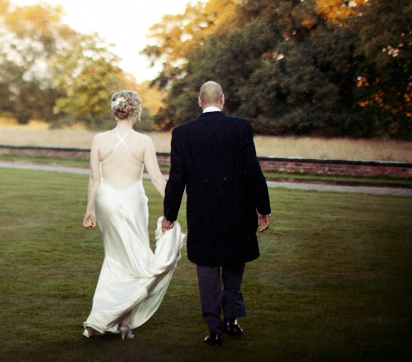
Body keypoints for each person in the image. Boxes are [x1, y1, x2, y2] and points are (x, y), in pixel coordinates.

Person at [161, 80, 271, 346]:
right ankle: (232, 319)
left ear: (200, 101)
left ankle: (214, 327)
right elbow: (253, 171)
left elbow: (177, 178)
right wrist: (263, 208)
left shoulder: (182, 133)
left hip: (203, 212)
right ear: (222, 99)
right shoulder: (241, 128)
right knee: (234, 262)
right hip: (238, 209)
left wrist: (169, 215)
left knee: (207, 267)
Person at [82, 90, 185, 339]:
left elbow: (95, 179)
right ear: (135, 111)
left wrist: (90, 211)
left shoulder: (99, 139)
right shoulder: (143, 141)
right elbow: (157, 178)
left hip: (106, 200)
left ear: (115, 110)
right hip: (132, 201)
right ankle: (121, 320)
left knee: (116, 258)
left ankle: (104, 319)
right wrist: (173, 204)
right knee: (138, 260)